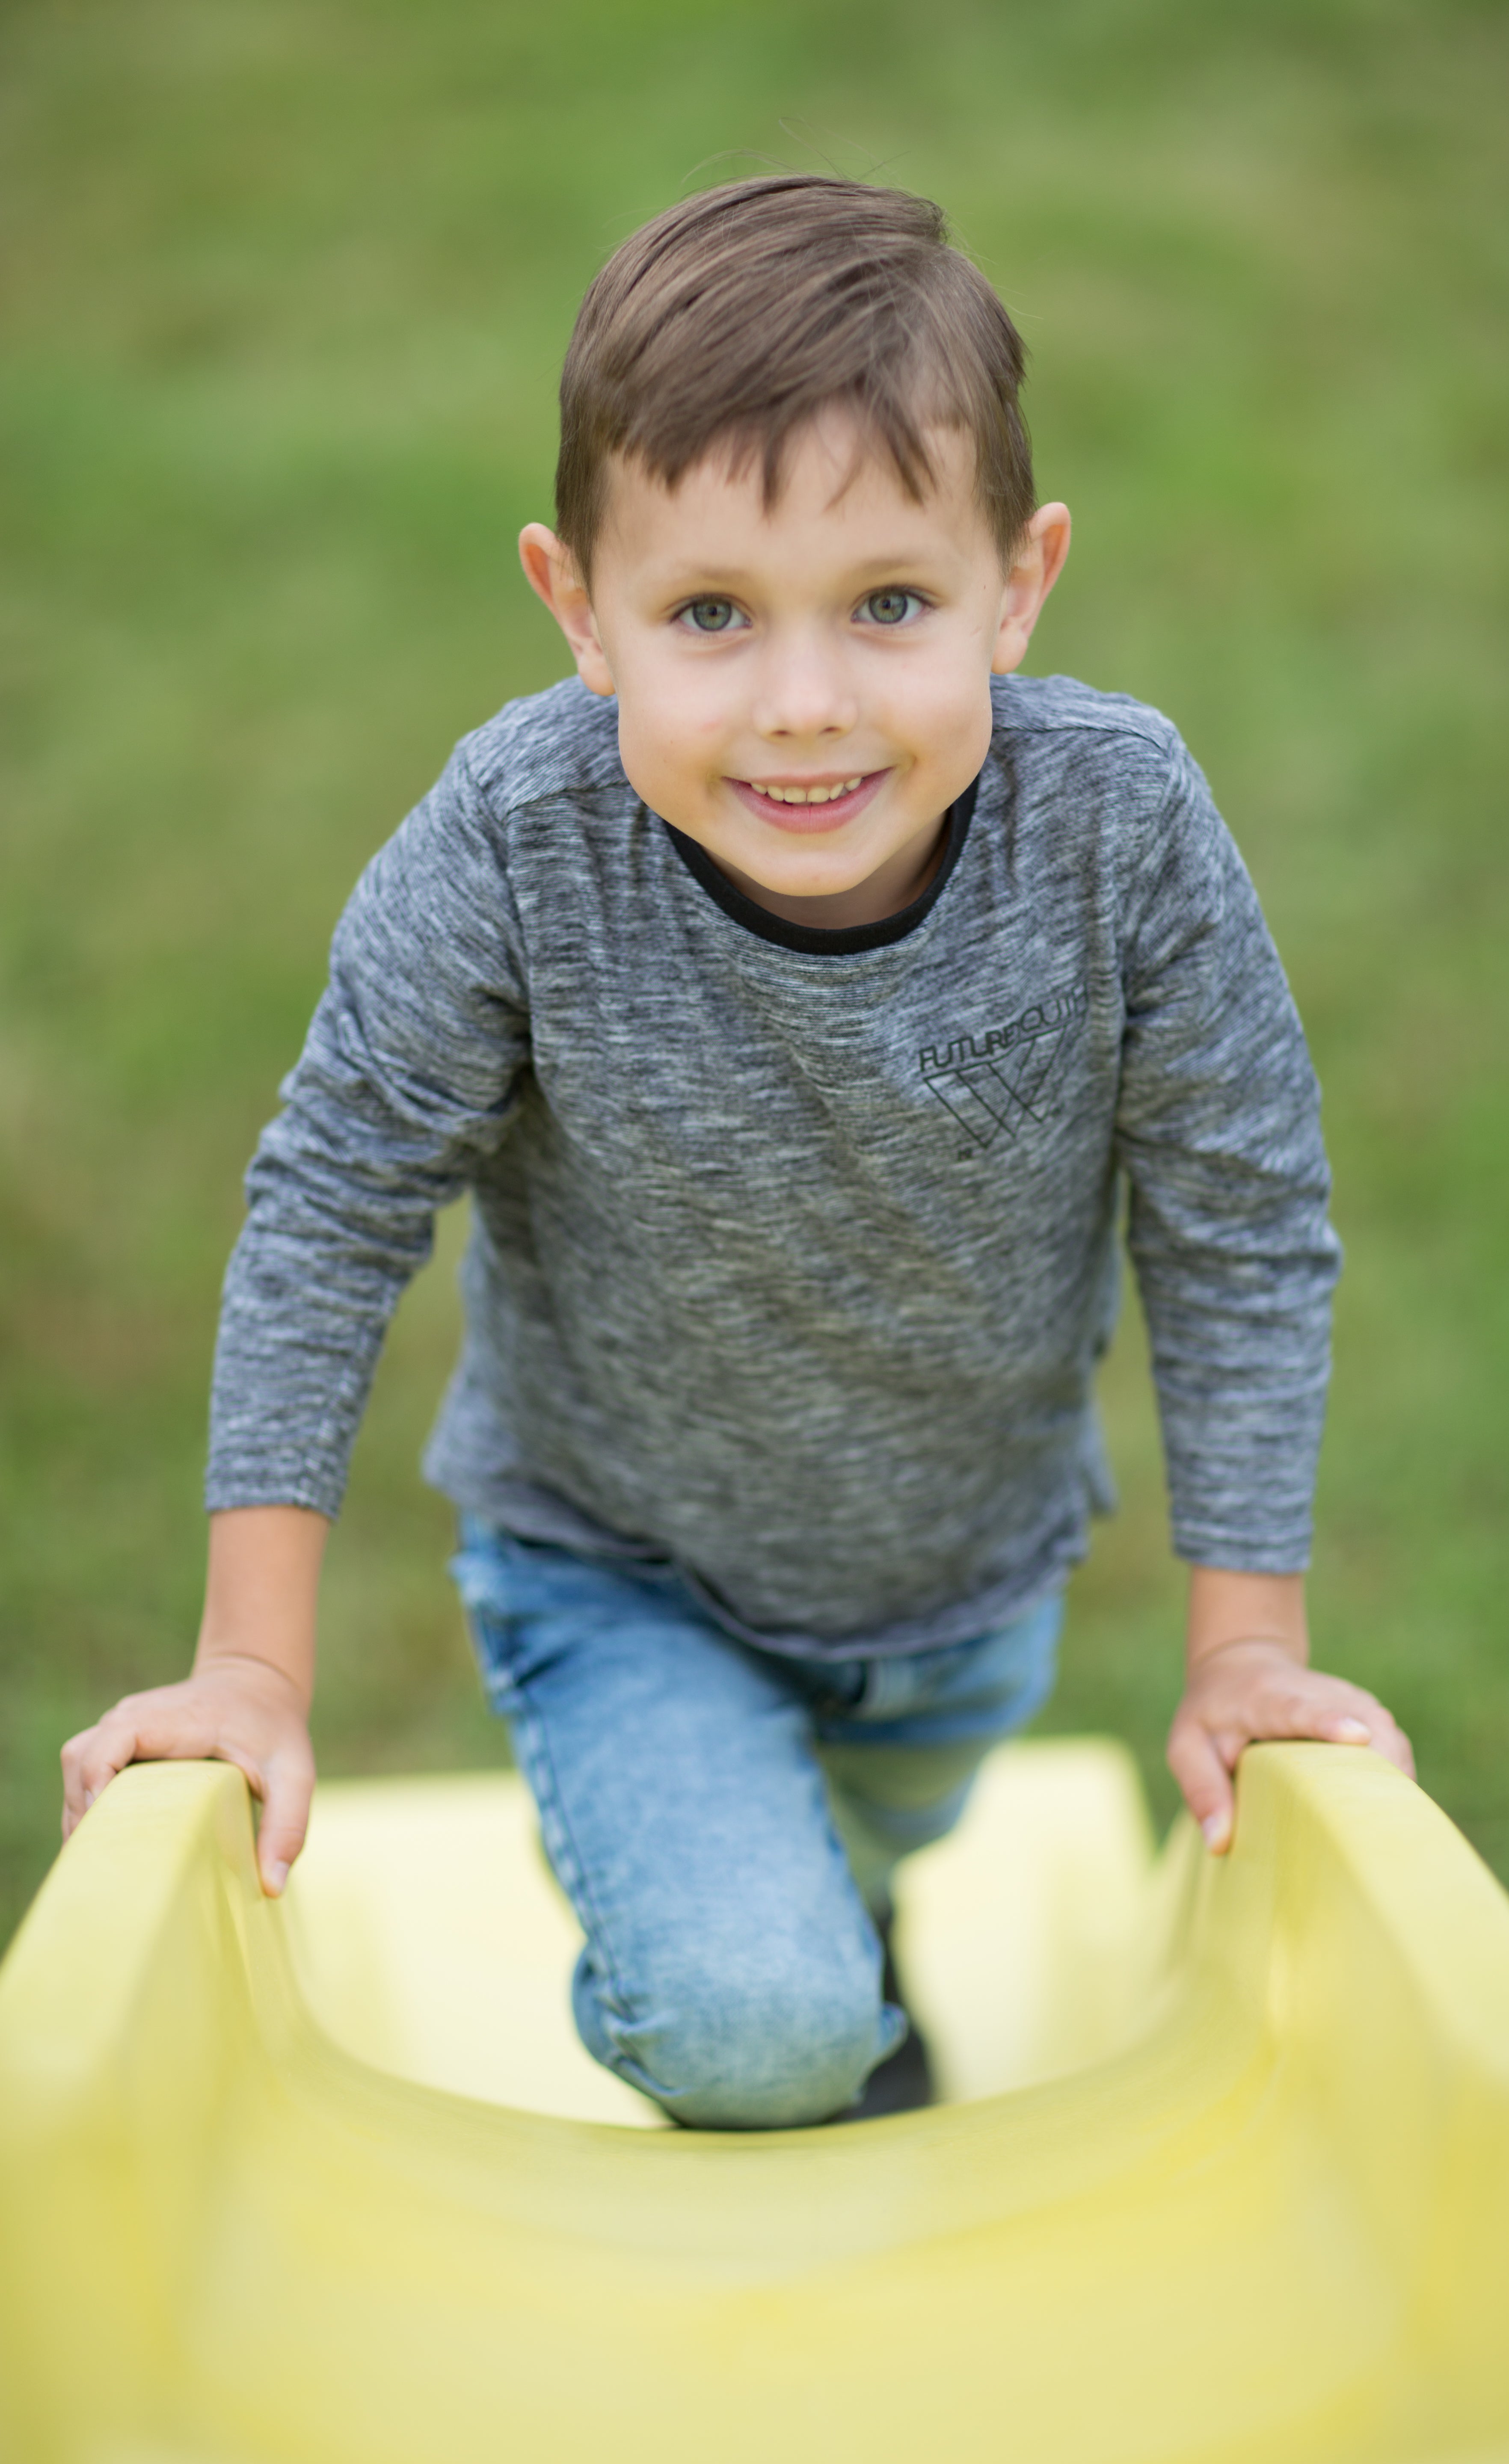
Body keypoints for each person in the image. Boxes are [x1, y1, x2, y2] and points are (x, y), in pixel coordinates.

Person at [59, 175, 1412, 2128]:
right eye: (708, 613)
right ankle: (745, 1945)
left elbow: (1242, 1213)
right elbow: (333, 1200)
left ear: (1017, 585)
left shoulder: (1119, 831)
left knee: (855, 1891)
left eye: (889, 604)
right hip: (621, 1562)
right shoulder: (519, 846)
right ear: (577, 607)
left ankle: (842, 1915)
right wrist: (252, 1670)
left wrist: (1248, 1643)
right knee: (759, 2025)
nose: (803, 707)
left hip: (965, 1578)